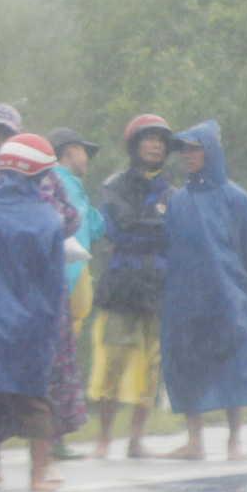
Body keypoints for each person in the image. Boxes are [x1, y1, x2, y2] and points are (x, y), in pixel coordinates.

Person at [0, 104, 80, 487]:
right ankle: (20, 470)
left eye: (2, 135)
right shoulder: (34, 213)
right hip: (24, 314)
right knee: (25, 392)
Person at [161, 120, 247, 461]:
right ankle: (194, 440)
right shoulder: (177, 201)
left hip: (228, 297)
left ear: (211, 152)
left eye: (195, 149)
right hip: (184, 299)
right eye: (184, 150)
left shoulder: (236, 199)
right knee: (185, 364)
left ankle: (235, 440)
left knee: (235, 364)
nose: (188, 156)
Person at [87, 114, 175, 459]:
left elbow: (172, 234)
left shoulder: (171, 192)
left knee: (150, 363)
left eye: (160, 140)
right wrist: (155, 226)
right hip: (121, 285)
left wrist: (146, 228)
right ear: (134, 145)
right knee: (112, 359)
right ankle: (104, 439)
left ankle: (136, 439)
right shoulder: (114, 185)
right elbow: (118, 229)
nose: (154, 145)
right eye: (148, 138)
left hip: (156, 285)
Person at [45, 127, 106, 460]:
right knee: (56, 369)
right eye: (84, 151)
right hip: (61, 295)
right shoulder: (61, 184)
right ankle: (51, 440)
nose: (87, 159)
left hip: (67, 295)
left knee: (60, 368)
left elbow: (95, 227)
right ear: (69, 150)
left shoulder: (73, 188)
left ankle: (54, 438)